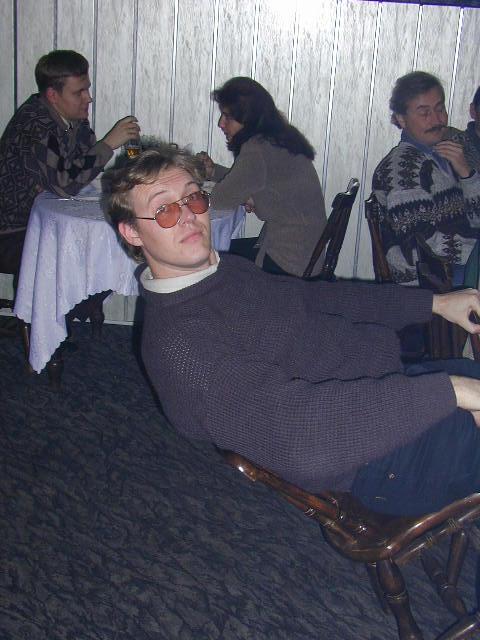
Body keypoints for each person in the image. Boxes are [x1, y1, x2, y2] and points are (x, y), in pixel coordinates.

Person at [107, 143, 480, 518]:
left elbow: (314, 298)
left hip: (390, 385)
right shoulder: (179, 346)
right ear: (132, 232)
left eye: (193, 198)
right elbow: (302, 437)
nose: (189, 216)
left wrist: (434, 303)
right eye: (164, 209)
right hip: (381, 459)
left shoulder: (224, 272)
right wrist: (452, 392)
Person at [0, 49, 140, 275]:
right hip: (11, 232)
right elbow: (65, 183)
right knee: (82, 257)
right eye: (79, 92)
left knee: (102, 247)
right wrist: (108, 144)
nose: (88, 98)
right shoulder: (35, 125)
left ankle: (92, 300)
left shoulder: (74, 120)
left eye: (87, 89)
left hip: (40, 223)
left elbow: (80, 169)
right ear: (53, 95)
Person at [199, 76, 327, 278]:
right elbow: (251, 181)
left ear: (247, 119)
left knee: (207, 261)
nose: (220, 123)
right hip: (307, 254)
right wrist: (213, 172)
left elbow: (219, 200)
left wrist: (247, 197)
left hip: (288, 263)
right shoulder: (277, 138)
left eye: (227, 117)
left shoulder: (257, 149)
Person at [372, 71, 480, 287]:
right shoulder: (403, 168)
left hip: (455, 267)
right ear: (401, 119)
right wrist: (476, 251)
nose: (437, 120)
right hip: (428, 280)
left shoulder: (445, 153)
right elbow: (421, 245)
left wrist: (467, 175)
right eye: (424, 113)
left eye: (440, 109)